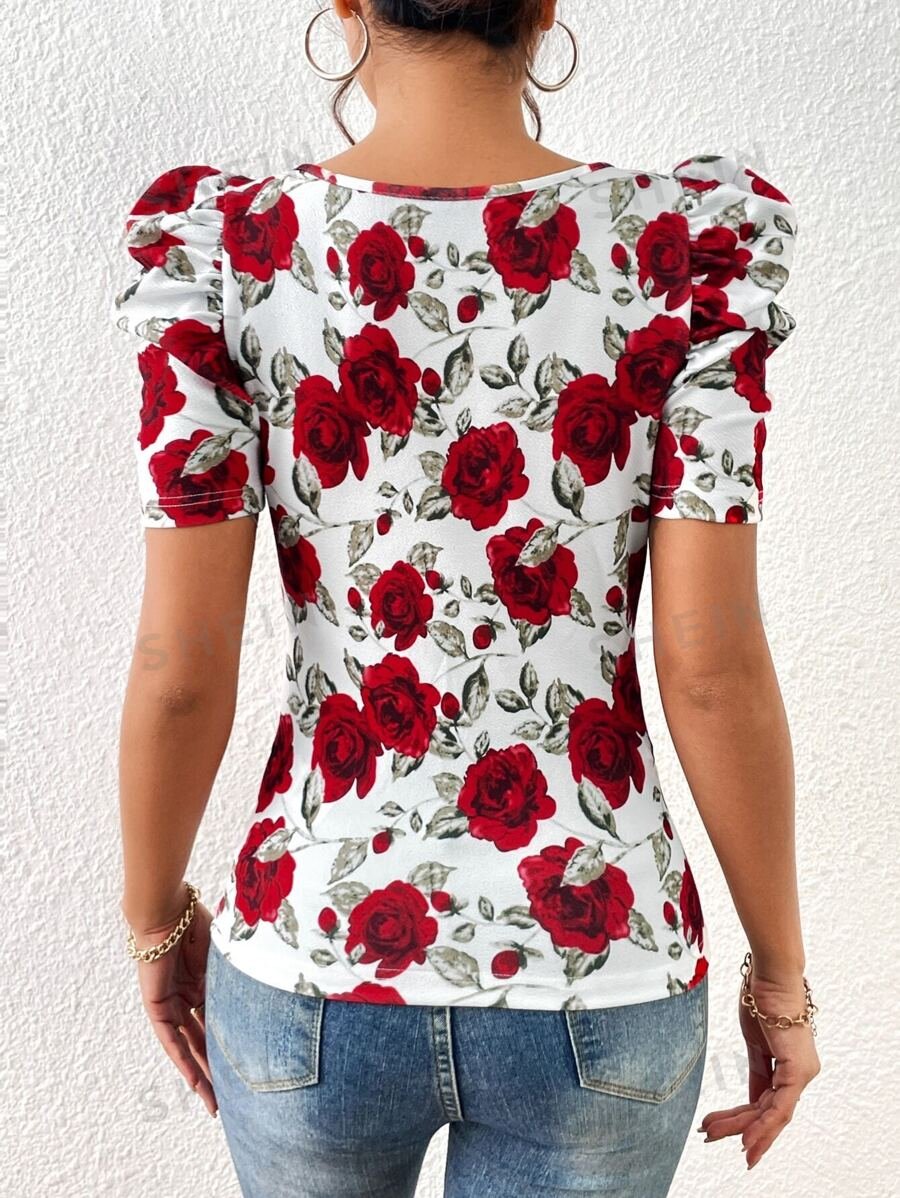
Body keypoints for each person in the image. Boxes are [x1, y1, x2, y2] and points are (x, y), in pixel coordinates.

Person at [110, 2, 820, 1195]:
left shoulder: (226, 250)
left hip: (314, 952)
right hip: (600, 967)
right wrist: (782, 983)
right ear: (543, 8)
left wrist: (157, 923)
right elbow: (711, 668)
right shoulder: (683, 251)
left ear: (348, 5)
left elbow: (181, 670)